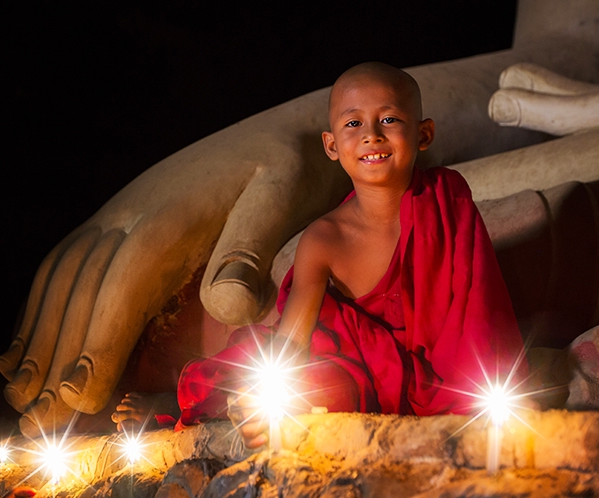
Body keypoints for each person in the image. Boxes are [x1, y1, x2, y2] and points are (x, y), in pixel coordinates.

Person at [112, 62, 528, 446]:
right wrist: (265, 400)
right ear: (331, 145)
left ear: (423, 133)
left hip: (436, 372)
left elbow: (480, 310)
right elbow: (292, 346)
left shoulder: (447, 199)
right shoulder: (324, 238)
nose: (372, 135)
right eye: (353, 123)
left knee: (481, 393)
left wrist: (485, 392)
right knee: (291, 379)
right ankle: (172, 403)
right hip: (354, 363)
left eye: (390, 119)